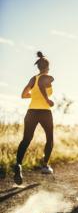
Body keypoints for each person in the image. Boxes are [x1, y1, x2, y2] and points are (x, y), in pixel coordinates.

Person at [14, 51, 54, 184]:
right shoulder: (47, 77)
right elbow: (42, 86)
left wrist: (35, 96)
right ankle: (45, 165)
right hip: (44, 112)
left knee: (26, 139)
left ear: (38, 67)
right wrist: (47, 100)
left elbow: (24, 95)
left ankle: (18, 164)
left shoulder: (33, 78)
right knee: (49, 138)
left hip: (31, 112)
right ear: (47, 67)